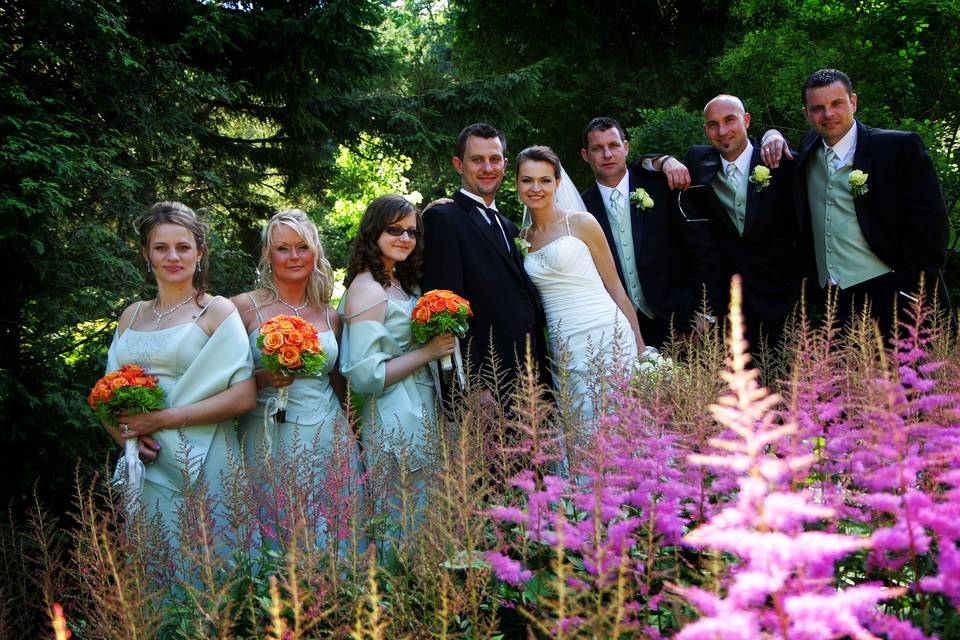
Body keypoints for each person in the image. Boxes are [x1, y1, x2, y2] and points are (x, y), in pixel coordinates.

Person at [760, 69, 952, 335]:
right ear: (806, 114)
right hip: (832, 299)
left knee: (904, 375)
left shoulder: (897, 147)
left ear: (854, 102)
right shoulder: (808, 146)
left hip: (892, 291)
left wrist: (914, 289)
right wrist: (772, 133)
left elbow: (931, 227)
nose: (828, 115)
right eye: (818, 108)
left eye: (837, 104)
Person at [104, 201, 256, 537]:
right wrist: (126, 437)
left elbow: (244, 395)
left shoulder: (217, 311)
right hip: (148, 461)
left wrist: (160, 420)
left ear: (199, 252)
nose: (173, 257)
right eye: (161, 248)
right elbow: (105, 393)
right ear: (146, 254)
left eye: (183, 247)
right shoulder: (131, 315)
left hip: (207, 454)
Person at [421, 123, 551, 401]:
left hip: (531, 375)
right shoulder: (444, 219)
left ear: (505, 164)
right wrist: (475, 385)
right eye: (477, 160)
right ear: (459, 164)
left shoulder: (509, 226)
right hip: (490, 383)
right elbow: (446, 310)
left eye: (494, 159)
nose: (487, 168)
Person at [516, 146, 645, 421]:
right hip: (563, 347)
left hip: (607, 334)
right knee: (579, 425)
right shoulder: (521, 237)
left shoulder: (582, 223)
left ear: (558, 183)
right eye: (527, 180)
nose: (535, 188)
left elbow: (616, 289)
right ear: (517, 183)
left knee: (621, 423)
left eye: (545, 180)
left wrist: (640, 345)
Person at [579, 117, 722, 348]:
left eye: (614, 145)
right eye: (597, 148)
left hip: (680, 322)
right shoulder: (581, 209)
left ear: (626, 147)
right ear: (586, 155)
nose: (607, 154)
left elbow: (701, 252)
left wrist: (704, 313)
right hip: (618, 333)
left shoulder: (662, 187)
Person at [340, 195, 455, 478]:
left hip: (419, 400)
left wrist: (430, 213)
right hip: (392, 413)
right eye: (395, 230)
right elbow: (367, 376)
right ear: (373, 231)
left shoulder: (398, 281)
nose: (405, 237)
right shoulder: (369, 288)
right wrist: (428, 352)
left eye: (412, 231)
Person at [681, 95, 802, 351]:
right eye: (713, 124)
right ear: (706, 130)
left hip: (783, 297)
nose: (722, 131)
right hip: (730, 303)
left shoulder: (779, 161)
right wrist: (663, 160)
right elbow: (642, 165)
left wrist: (772, 133)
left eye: (729, 120)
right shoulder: (697, 162)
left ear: (746, 120)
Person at [232, 209, 348, 464]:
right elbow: (218, 380)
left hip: (328, 435)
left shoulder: (331, 315)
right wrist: (262, 379)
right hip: (265, 435)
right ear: (267, 254)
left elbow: (340, 384)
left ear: (314, 252)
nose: (294, 256)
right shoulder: (243, 307)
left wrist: (353, 433)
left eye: (302, 247)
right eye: (283, 248)